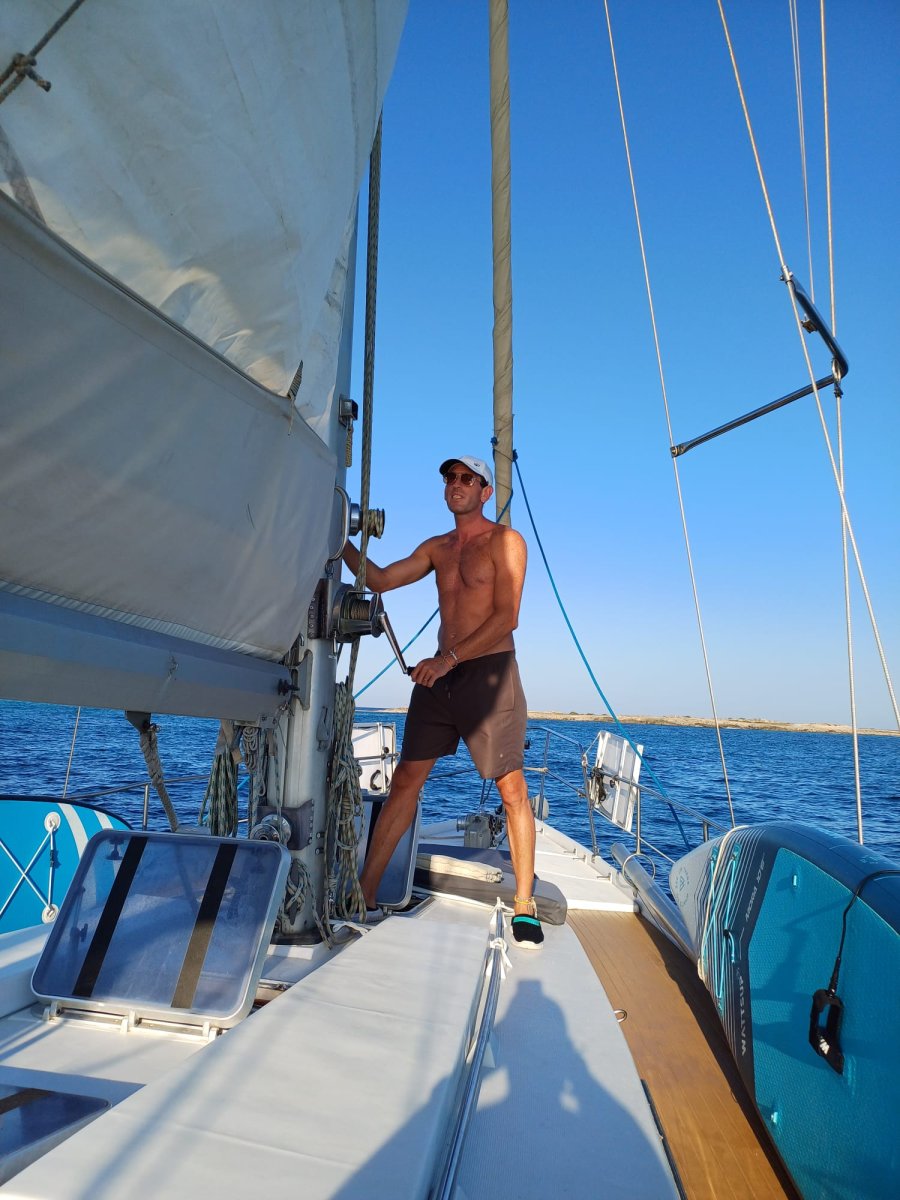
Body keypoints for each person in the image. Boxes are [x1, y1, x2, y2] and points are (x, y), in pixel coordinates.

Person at [342, 454, 543, 948]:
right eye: (450, 478)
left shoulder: (506, 542)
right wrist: (338, 541)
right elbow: (382, 579)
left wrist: (448, 659)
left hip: (486, 674)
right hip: (440, 677)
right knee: (405, 781)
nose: (456, 485)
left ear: (484, 492)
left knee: (511, 788)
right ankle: (364, 895)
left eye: (466, 479)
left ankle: (524, 903)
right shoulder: (439, 547)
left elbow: (507, 616)